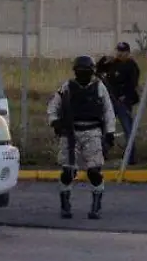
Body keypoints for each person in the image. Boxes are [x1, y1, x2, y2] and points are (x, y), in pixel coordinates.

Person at [47, 55, 117, 220]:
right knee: (68, 171)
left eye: (86, 72)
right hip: (70, 133)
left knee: (93, 171)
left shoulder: (99, 87)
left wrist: (110, 132)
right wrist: (55, 122)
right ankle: (65, 204)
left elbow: (108, 111)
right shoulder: (67, 87)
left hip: (92, 132)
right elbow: (53, 105)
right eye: (80, 71)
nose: (83, 74)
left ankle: (96, 205)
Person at [105, 42, 141, 165]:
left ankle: (131, 157)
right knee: (106, 127)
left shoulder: (132, 66)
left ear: (127, 52)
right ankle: (103, 152)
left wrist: (125, 96)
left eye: (122, 51)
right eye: (118, 51)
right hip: (111, 100)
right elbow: (102, 73)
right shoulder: (113, 64)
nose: (119, 53)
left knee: (127, 128)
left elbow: (133, 84)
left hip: (123, 102)